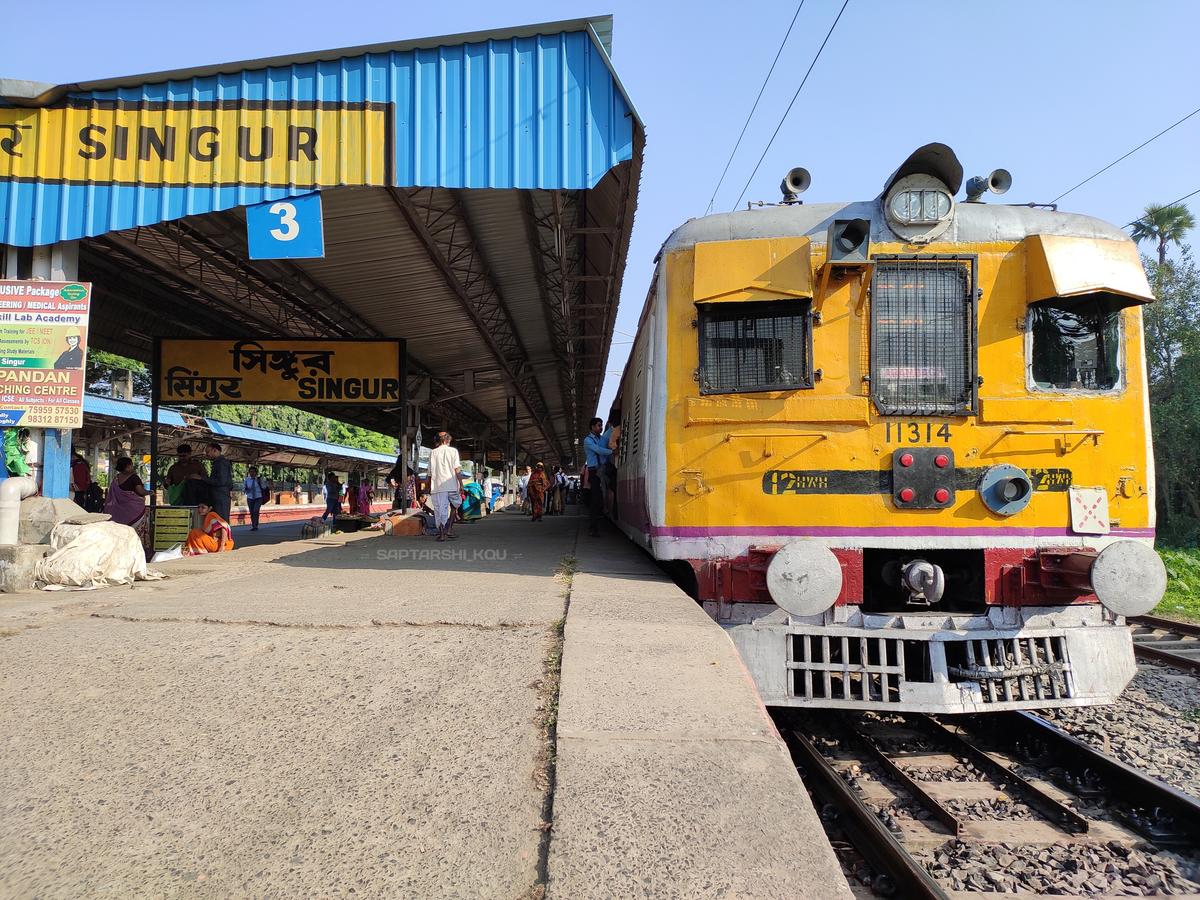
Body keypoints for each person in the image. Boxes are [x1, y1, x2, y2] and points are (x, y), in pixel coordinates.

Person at [428, 431, 462, 542]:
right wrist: (461, 483)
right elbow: (457, 469)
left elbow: (429, 472)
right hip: (451, 485)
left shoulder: (433, 452)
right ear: (446, 440)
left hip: (437, 486)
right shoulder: (453, 451)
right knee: (455, 505)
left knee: (439, 510)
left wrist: (428, 486)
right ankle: (449, 529)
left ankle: (442, 533)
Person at [583, 417, 613, 536]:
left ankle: (598, 523)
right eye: (598, 425)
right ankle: (593, 528)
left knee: (603, 496)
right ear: (592, 427)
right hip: (594, 472)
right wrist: (612, 452)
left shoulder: (602, 438)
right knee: (596, 499)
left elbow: (611, 431)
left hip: (604, 470)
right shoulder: (588, 440)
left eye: (601, 426)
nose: (600, 428)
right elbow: (599, 450)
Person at [103, 456, 149, 527]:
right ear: (128, 466)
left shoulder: (116, 479)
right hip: (135, 512)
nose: (133, 467)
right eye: (131, 465)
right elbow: (140, 491)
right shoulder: (134, 478)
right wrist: (150, 492)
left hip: (119, 514)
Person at [192, 442, 232, 520]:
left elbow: (221, 481)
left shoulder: (221, 462)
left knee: (221, 521)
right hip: (218, 496)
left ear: (215, 450)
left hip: (221, 496)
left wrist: (202, 478)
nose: (207, 454)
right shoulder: (217, 462)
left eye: (208, 452)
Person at [243, 465, 270, 531]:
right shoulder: (247, 480)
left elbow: (264, 487)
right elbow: (243, 489)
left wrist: (261, 482)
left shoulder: (259, 479)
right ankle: (254, 526)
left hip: (258, 497)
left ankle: (256, 525)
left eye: (253, 472)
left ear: (256, 473)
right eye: (250, 472)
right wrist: (246, 489)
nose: (252, 473)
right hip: (250, 497)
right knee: (252, 512)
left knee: (256, 510)